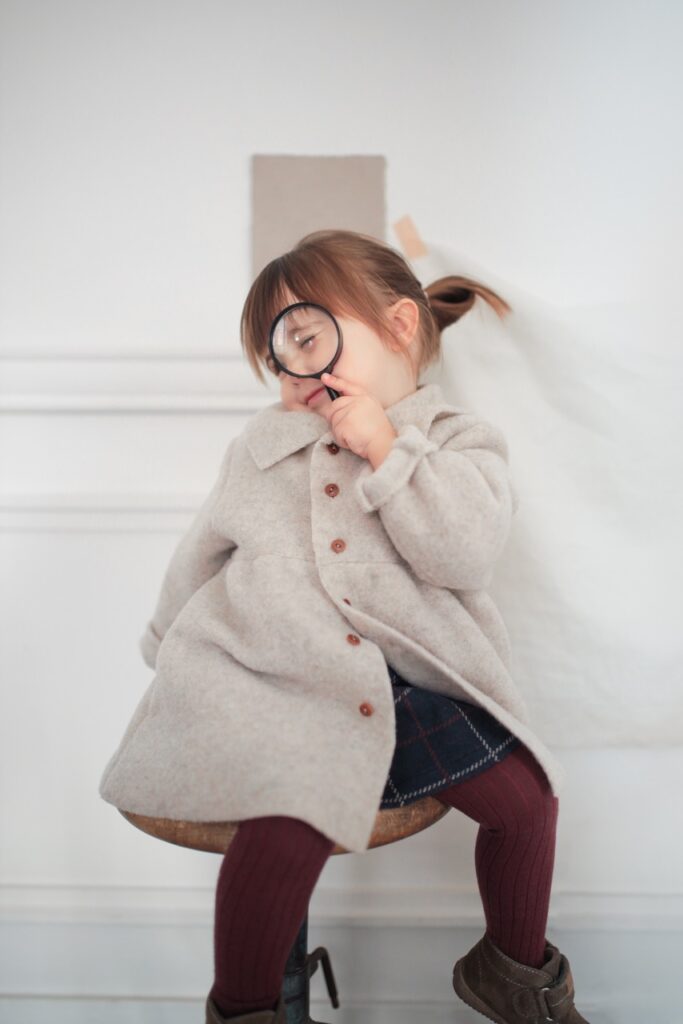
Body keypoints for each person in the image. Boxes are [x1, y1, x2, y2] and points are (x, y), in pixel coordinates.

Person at [98, 229, 589, 1024]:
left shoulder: (456, 440)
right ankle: (247, 1008)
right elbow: (199, 554)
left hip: (395, 686)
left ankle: (513, 974)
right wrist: (164, 651)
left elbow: (461, 556)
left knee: (526, 800)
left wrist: (389, 452)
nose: (297, 372)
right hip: (268, 677)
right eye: (280, 357)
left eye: (310, 340)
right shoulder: (261, 445)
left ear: (398, 325)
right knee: (288, 817)